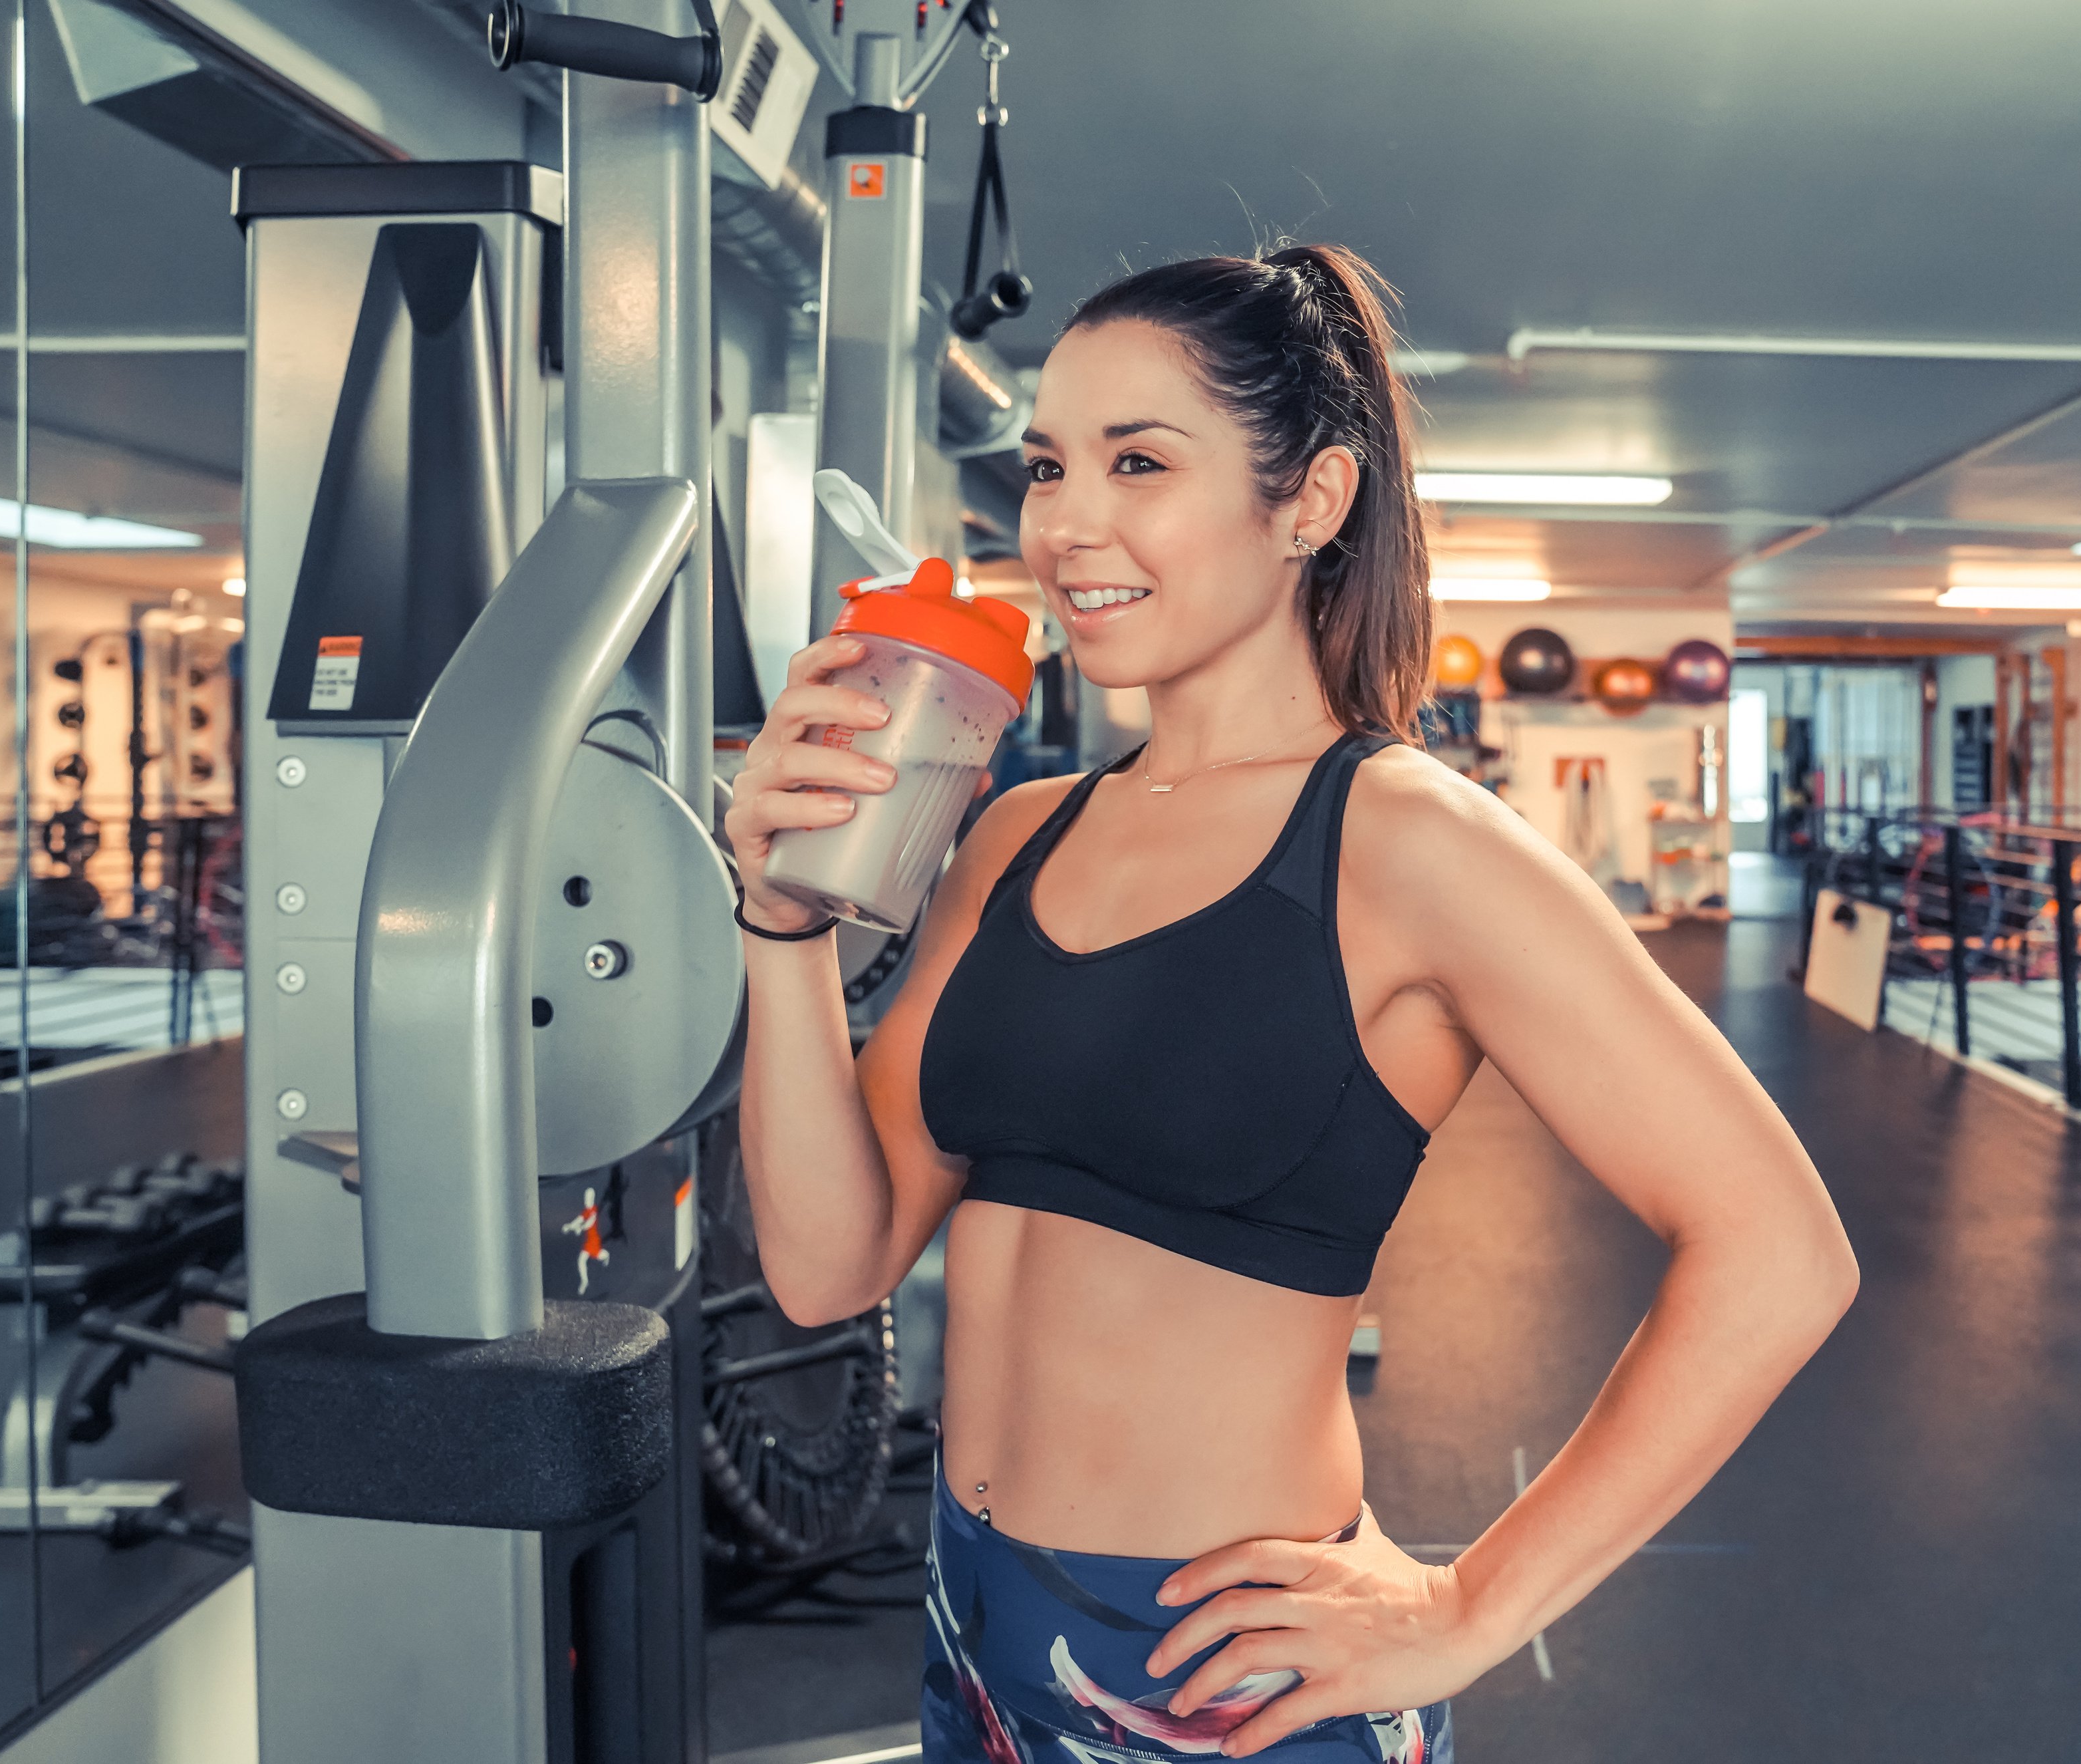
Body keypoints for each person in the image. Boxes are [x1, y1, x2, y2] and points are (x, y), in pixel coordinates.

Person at [724, 243, 1857, 1762]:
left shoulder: (1408, 844)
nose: (1067, 524)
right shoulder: (1012, 832)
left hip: (1217, 1677)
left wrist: (1468, 1610)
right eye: (1049, 467)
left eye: (1139, 462)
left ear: (1310, 503)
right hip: (969, 1627)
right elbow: (825, 1267)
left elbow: (1781, 1255)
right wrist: (781, 924)